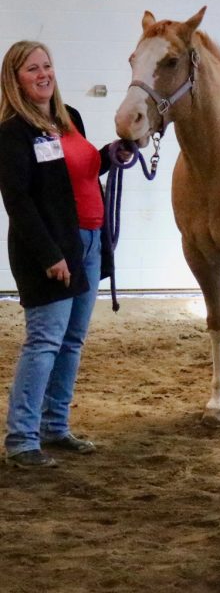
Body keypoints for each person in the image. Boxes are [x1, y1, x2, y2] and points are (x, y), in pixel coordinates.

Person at [0, 41, 124, 469]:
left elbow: (79, 170)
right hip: (51, 248)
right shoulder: (13, 131)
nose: (43, 74)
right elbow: (18, 201)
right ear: (15, 79)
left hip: (88, 242)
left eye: (47, 65)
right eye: (32, 69)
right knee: (45, 342)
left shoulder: (69, 116)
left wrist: (111, 155)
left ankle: (55, 425)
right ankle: (21, 439)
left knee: (71, 341)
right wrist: (50, 255)